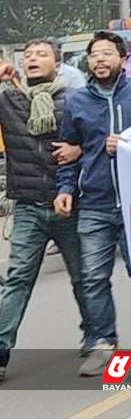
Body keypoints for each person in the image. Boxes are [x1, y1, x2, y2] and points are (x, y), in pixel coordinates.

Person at [53, 30, 131, 377]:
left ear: (123, 59)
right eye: (94, 55)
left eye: (108, 53)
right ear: (87, 62)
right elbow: (69, 151)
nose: (100, 59)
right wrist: (65, 189)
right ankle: (103, 342)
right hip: (94, 201)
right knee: (92, 276)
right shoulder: (76, 102)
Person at [0, 39, 89, 382]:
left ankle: (95, 337)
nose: (33, 59)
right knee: (18, 279)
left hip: (70, 205)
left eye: (41, 55)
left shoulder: (75, 99)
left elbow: (96, 137)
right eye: (28, 56)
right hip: (28, 206)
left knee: (84, 277)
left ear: (58, 63)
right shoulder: (9, 99)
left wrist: (78, 149)